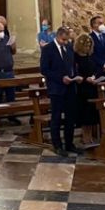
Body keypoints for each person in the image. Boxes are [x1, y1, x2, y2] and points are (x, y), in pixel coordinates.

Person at [40, 27, 80, 156]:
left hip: (70, 88)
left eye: (67, 40)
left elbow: (72, 66)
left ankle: (69, 143)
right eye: (63, 39)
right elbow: (44, 70)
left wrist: (76, 77)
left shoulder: (68, 48)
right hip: (56, 88)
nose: (65, 42)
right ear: (58, 36)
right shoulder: (48, 49)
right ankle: (57, 145)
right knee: (56, 117)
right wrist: (61, 78)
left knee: (70, 117)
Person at [73, 33, 99, 145]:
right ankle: (85, 136)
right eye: (85, 44)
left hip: (92, 88)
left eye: (89, 45)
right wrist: (85, 79)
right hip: (81, 89)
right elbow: (74, 73)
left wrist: (94, 76)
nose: (88, 47)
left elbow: (94, 69)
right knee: (84, 114)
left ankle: (89, 135)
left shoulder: (89, 57)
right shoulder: (75, 57)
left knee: (91, 114)